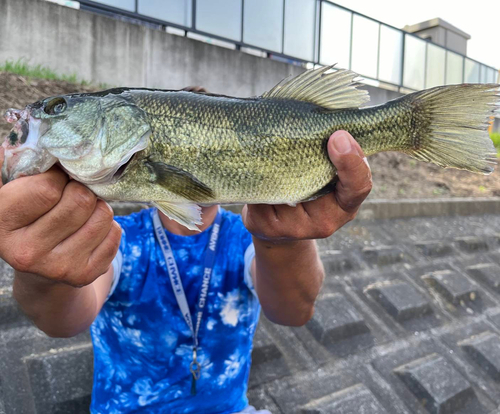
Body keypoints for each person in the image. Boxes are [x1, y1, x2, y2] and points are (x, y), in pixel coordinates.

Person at [0, 129, 372, 413]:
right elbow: (62, 321)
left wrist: (285, 242)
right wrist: (42, 272)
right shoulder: (118, 236)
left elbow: (294, 311)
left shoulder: (249, 236)